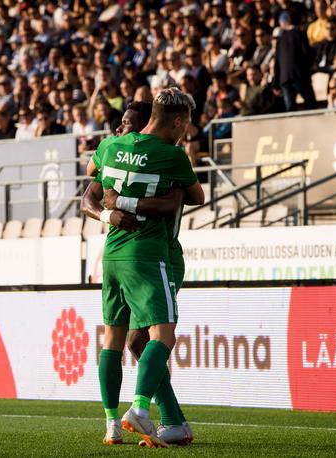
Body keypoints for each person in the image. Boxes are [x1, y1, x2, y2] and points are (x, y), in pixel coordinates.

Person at [92, 88, 204, 448]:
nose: (124, 128)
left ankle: (160, 421)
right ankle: (149, 413)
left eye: (129, 123)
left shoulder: (111, 147)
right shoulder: (171, 157)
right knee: (155, 337)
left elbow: (92, 178)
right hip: (153, 255)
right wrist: (114, 207)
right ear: (177, 121)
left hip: (115, 254)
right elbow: (191, 198)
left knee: (130, 339)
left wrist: (115, 202)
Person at [274, 11, 317, 111]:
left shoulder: (280, 39)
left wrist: (276, 83)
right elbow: (307, 53)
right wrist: (310, 67)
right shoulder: (300, 34)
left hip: (284, 78)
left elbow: (277, 62)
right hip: (299, 75)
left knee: (290, 108)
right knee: (310, 103)